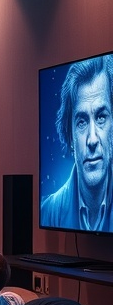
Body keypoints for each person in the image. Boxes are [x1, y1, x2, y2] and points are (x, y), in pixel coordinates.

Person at [41, 53, 113, 231]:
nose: (92, 139)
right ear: (70, 136)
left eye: (101, 117)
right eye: (81, 122)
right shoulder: (48, 211)